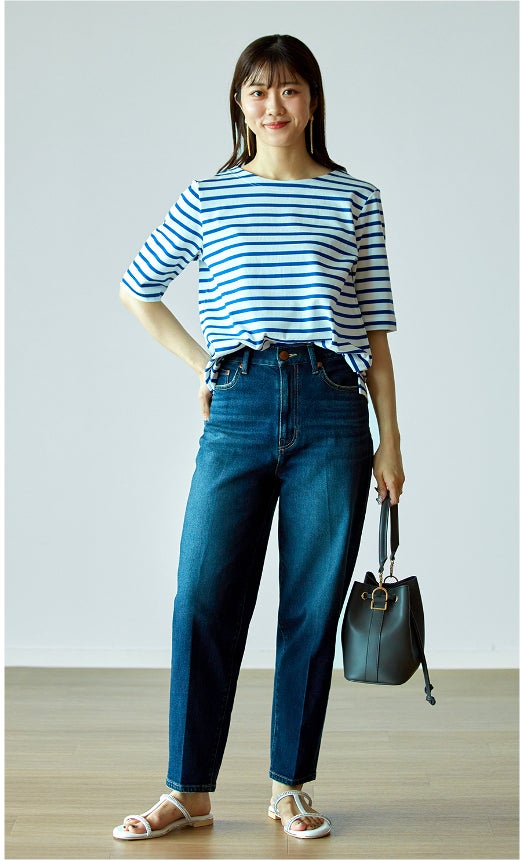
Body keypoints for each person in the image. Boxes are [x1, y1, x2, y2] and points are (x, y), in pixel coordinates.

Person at [112, 33, 405, 842]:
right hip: (238, 406)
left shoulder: (356, 198)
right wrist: (203, 364)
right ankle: (187, 791)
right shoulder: (209, 197)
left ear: (312, 101)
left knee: (311, 606)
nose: (272, 105)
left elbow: (376, 334)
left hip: (333, 407)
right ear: (239, 105)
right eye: (256, 91)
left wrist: (391, 440)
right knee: (203, 597)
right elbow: (138, 288)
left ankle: (289, 789)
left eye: (288, 89)